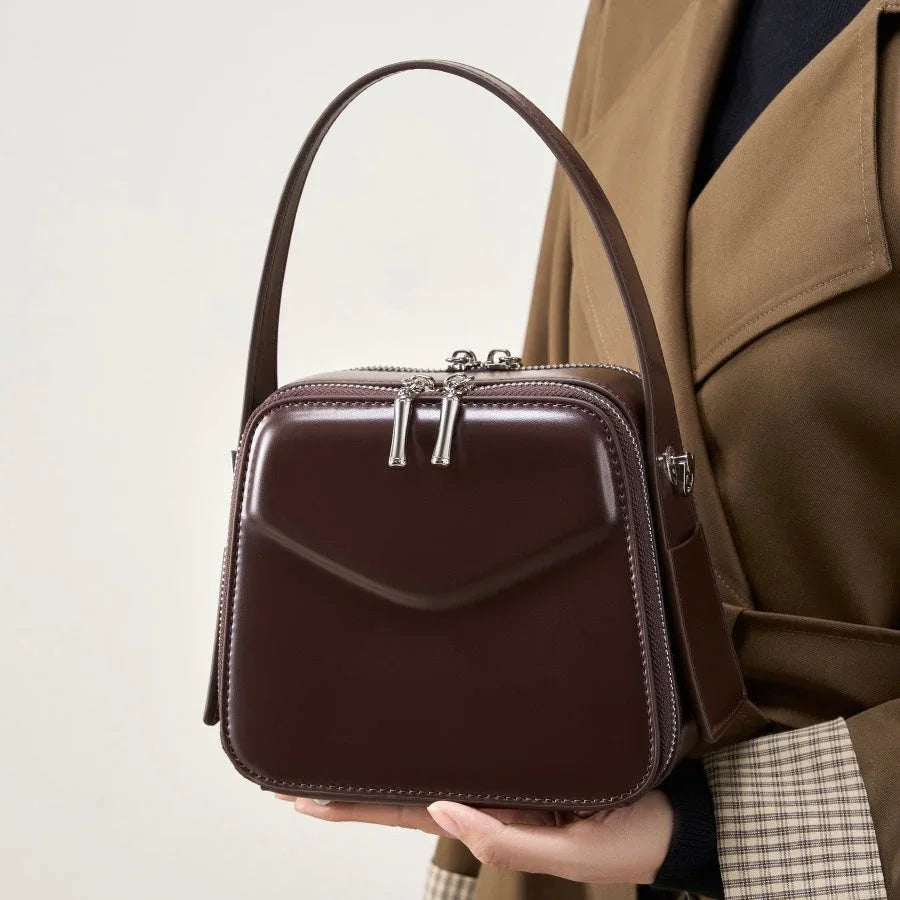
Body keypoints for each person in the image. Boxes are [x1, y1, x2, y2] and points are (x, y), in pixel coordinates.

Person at [285, 1, 900, 896]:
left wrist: (720, 827)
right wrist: (475, 801)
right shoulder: (638, 13)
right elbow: (553, 370)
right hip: (577, 827)